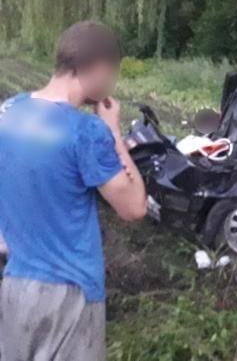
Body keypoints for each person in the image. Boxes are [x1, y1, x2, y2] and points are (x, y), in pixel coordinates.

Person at [0, 21, 148, 361]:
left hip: (15, 286)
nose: (111, 84)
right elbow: (134, 207)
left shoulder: (8, 111)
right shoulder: (86, 132)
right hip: (69, 292)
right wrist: (112, 132)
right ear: (94, 68)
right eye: (112, 74)